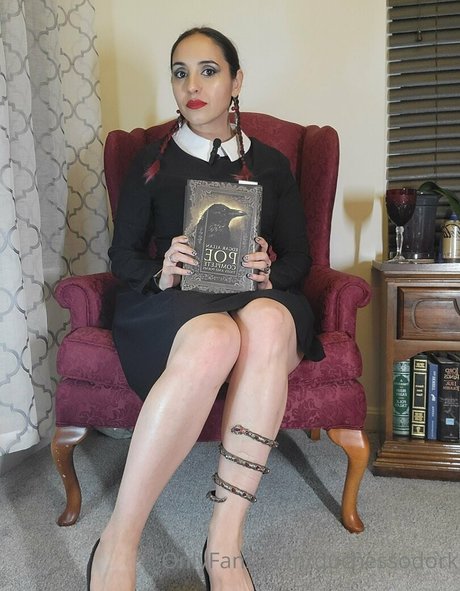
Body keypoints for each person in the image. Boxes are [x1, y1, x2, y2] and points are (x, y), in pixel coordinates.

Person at [87, 26, 324, 591]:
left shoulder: (271, 165)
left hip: (251, 293)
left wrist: (270, 272)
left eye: (209, 71)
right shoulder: (150, 162)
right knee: (217, 336)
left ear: (236, 81)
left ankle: (223, 545)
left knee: (268, 321)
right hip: (174, 302)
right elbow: (122, 257)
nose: (192, 85)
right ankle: (118, 540)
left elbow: (300, 257)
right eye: (180, 72)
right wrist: (162, 268)